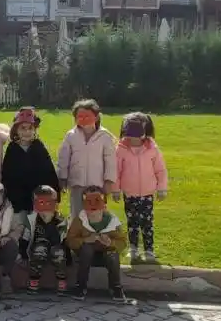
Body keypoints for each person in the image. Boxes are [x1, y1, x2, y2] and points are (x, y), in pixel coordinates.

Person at [115, 112, 169, 263]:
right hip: (129, 193)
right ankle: (133, 248)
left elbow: (160, 170)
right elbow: (116, 171)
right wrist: (115, 189)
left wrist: (162, 188)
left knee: (147, 222)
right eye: (130, 136)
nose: (133, 140)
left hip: (147, 193)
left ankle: (149, 250)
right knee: (132, 222)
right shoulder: (120, 149)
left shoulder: (152, 149)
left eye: (137, 136)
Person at [58, 99, 117, 221]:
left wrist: (109, 181)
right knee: (77, 215)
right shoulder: (71, 136)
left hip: (97, 185)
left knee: (96, 215)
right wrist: (62, 178)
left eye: (87, 116)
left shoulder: (105, 136)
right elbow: (63, 158)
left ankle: (95, 238)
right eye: (80, 116)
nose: (84, 119)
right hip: (76, 184)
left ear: (96, 117)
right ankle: (76, 238)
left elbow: (110, 161)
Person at [65, 185, 127, 302]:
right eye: (88, 202)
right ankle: (81, 286)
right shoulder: (79, 221)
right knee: (87, 249)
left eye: (97, 201)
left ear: (104, 204)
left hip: (105, 256)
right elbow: (70, 240)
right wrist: (85, 240)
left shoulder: (113, 222)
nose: (93, 206)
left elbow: (123, 242)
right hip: (85, 257)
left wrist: (110, 242)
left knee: (113, 255)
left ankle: (116, 287)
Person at [2, 107, 60, 214]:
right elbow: (6, 173)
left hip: (38, 197)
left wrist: (56, 196)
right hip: (17, 198)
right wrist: (5, 196)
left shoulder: (38, 147)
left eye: (30, 128)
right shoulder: (12, 148)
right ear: (16, 130)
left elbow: (49, 172)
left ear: (35, 130)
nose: (27, 132)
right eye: (23, 128)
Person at [22, 186, 69, 295]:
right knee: (39, 251)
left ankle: (61, 280)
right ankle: (34, 279)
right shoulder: (32, 219)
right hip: (38, 245)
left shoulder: (60, 220)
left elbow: (64, 238)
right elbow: (25, 237)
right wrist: (23, 253)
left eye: (49, 203)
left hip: (55, 245)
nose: (45, 207)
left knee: (59, 254)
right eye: (41, 203)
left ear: (55, 204)